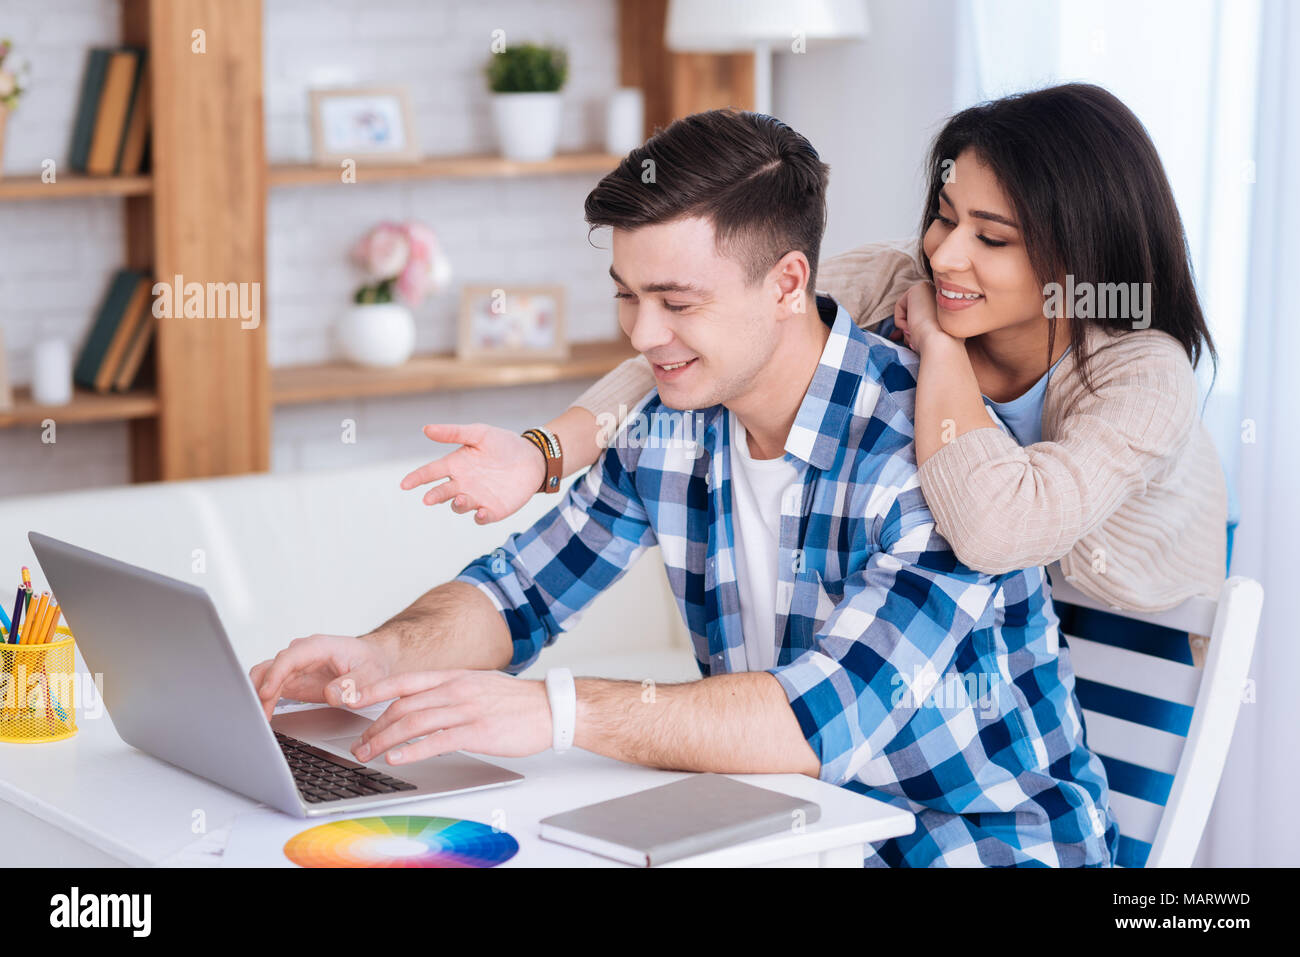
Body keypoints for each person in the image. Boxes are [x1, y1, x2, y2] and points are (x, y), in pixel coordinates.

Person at [252, 109, 1118, 867]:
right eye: (628, 296)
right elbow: (520, 591)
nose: (643, 333)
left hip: (975, 841)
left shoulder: (934, 456)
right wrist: (387, 653)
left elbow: (810, 723)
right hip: (785, 828)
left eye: (676, 302)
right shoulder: (674, 420)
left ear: (787, 284)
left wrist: (555, 711)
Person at [422, 84, 1227, 616]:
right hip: (992, 616)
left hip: (1135, 620)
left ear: (1077, 253)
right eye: (946, 216)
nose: (947, 256)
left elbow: (995, 529)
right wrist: (540, 454)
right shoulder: (896, 278)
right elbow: (710, 333)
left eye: (992, 238)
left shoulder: (1143, 374)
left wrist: (940, 353)